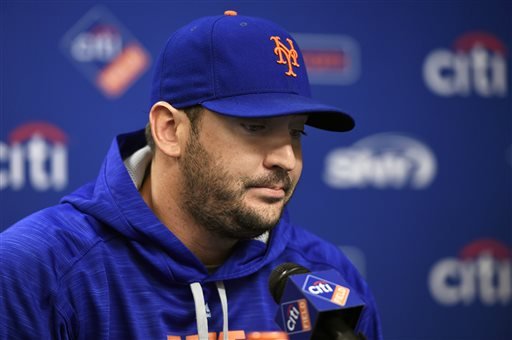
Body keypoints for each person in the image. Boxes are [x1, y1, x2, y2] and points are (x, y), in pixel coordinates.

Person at [0, 11, 382, 339]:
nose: (286, 158)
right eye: (255, 126)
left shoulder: (327, 277)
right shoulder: (37, 270)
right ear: (170, 129)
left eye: (296, 132)